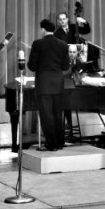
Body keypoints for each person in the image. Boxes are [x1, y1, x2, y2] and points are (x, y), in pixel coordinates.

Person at [27, 19, 70, 152]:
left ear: (43, 29)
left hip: (44, 84)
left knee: (46, 115)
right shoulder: (63, 44)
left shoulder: (38, 43)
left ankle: (51, 144)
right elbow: (65, 66)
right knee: (58, 114)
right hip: (58, 83)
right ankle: (59, 142)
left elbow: (32, 66)